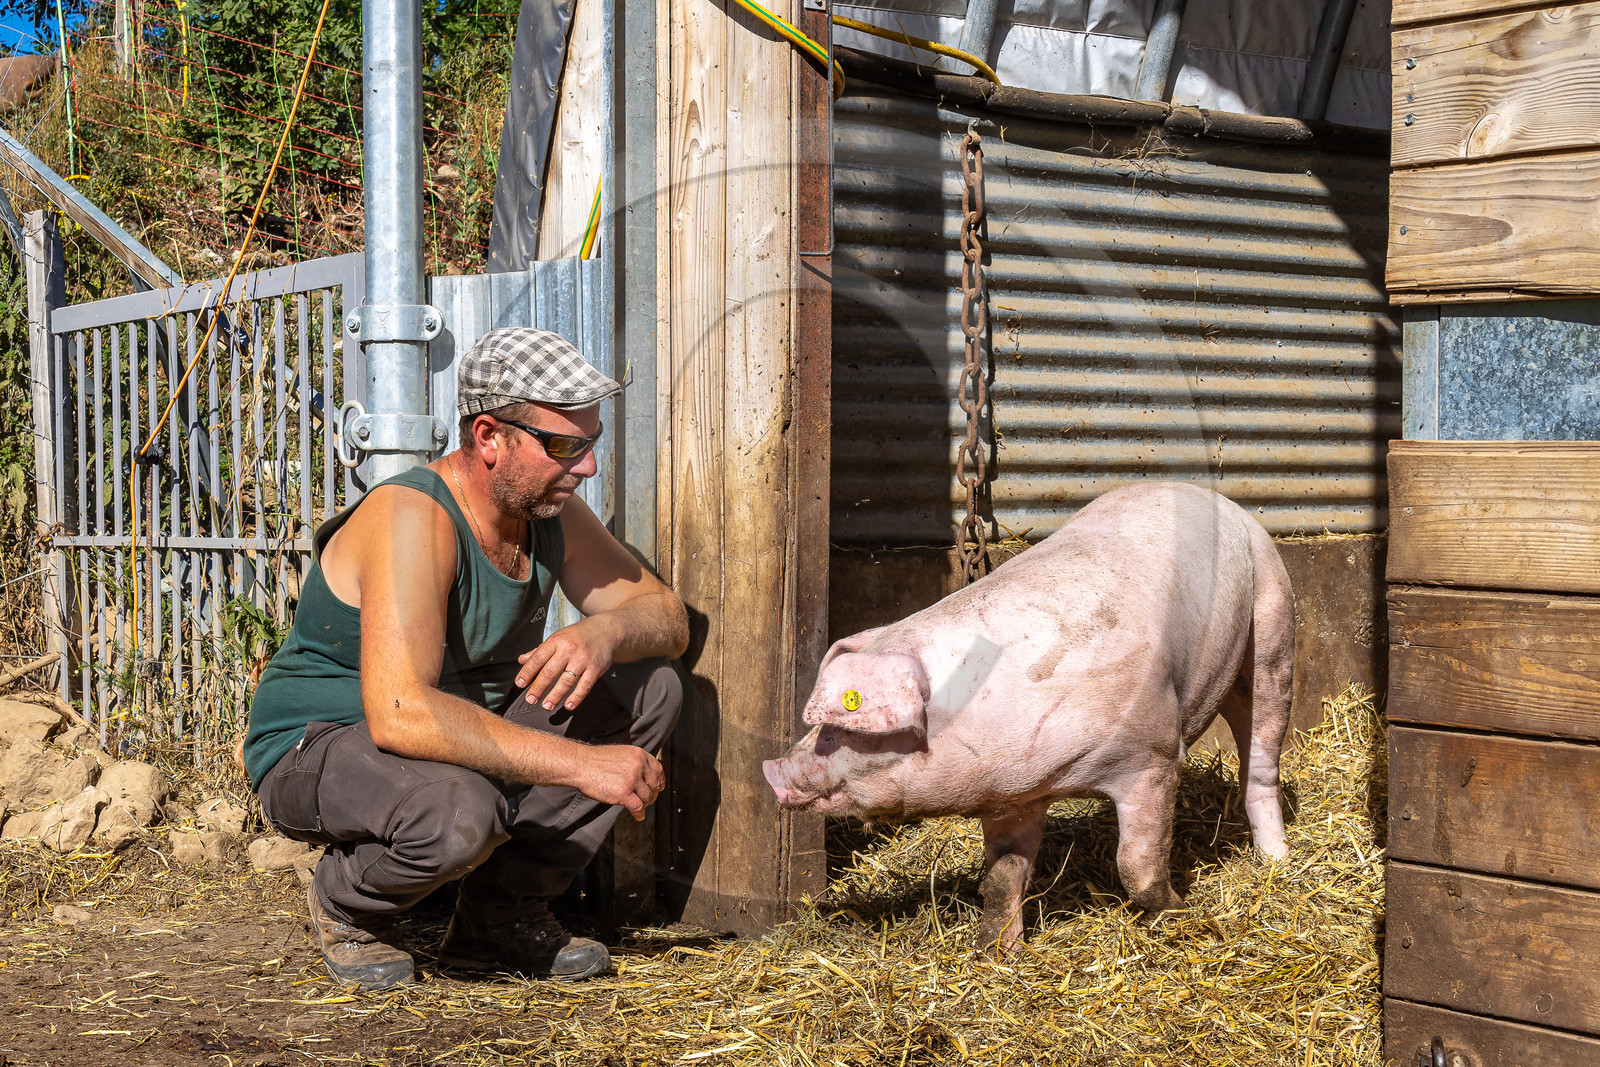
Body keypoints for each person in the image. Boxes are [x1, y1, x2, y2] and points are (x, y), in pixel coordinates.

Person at [242, 327, 690, 990]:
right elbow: (401, 715)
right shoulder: (413, 518)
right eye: (564, 445)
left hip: (446, 741)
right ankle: (345, 901)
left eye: (591, 444)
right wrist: (581, 763)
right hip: (321, 744)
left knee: (649, 686)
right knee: (459, 813)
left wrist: (604, 633)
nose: (587, 467)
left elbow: (669, 619)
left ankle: (498, 916)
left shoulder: (550, 514)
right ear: (488, 437)